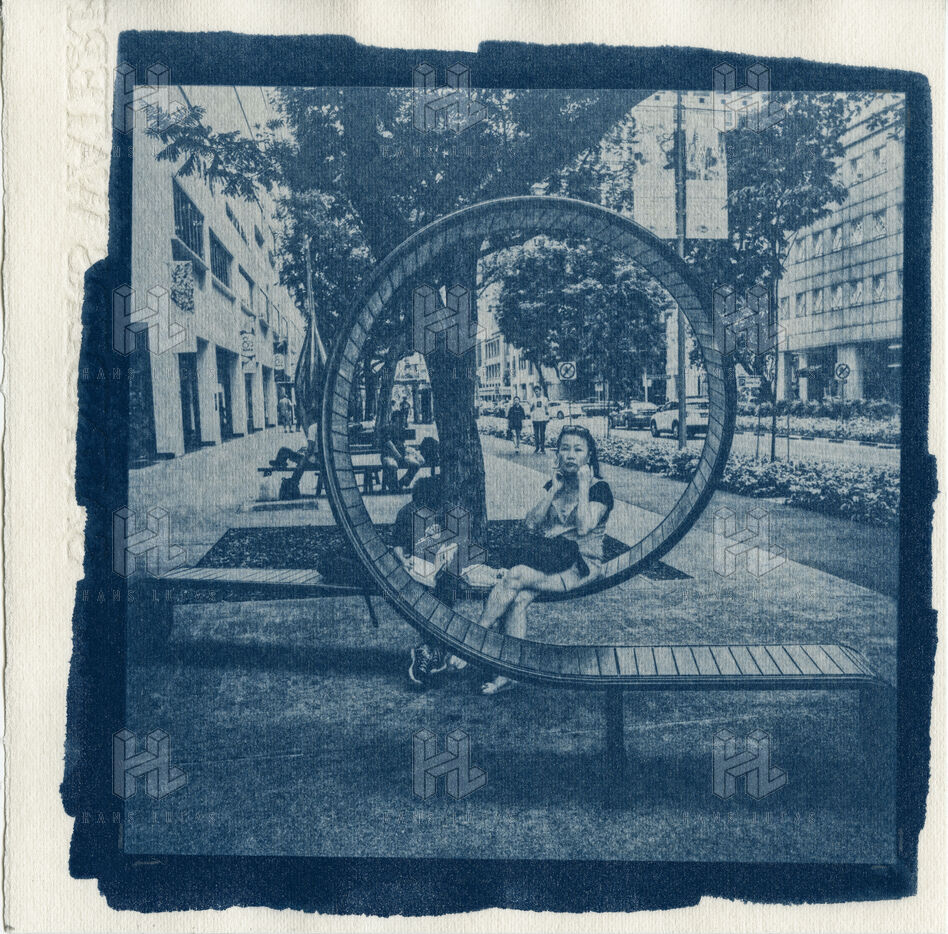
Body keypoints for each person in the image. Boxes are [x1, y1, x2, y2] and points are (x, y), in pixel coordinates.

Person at [474, 425, 614, 694]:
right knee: (518, 599)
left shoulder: (599, 489)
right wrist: (553, 489)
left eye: (578, 449)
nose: (570, 455)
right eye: (565, 448)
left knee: (515, 575)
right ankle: (509, 673)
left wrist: (583, 486)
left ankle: (474, 639)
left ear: (589, 456)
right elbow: (530, 524)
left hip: (581, 565)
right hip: (552, 559)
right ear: (557, 453)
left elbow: (583, 528)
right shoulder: (557, 483)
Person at [392, 478, 468, 686]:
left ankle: (429, 649)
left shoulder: (448, 511)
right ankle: (434, 649)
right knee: (424, 594)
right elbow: (397, 545)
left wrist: (452, 555)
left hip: (443, 567)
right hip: (417, 566)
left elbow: (459, 542)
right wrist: (403, 561)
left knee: (446, 585)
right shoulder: (407, 513)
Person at [380, 417, 426, 492]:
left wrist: (408, 452)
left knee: (416, 464)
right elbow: (389, 445)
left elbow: (402, 444)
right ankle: (393, 486)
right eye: (397, 422)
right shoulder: (386, 429)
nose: (399, 424)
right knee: (392, 466)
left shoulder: (400, 429)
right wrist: (399, 456)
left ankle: (403, 482)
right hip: (388, 455)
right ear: (392, 421)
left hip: (402, 455)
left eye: (401, 422)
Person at [530, 384, 551, 454]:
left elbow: (547, 409)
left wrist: (547, 418)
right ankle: (537, 447)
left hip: (542, 419)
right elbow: (531, 410)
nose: (536, 393)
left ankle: (542, 448)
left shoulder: (545, 399)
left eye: (537, 391)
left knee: (542, 434)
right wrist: (532, 406)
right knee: (536, 434)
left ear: (540, 391)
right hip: (535, 419)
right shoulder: (532, 399)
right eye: (535, 391)